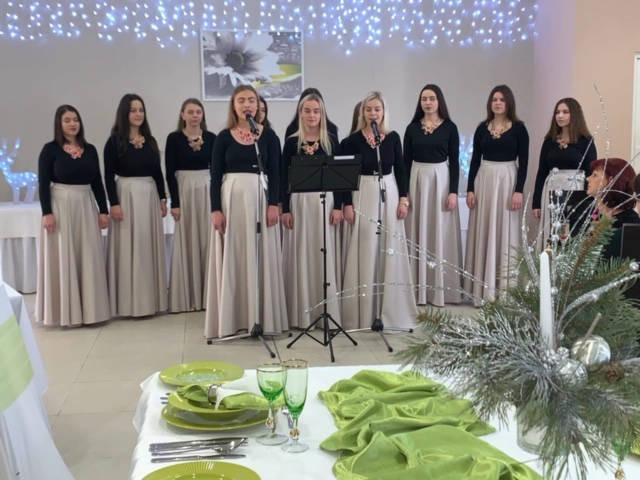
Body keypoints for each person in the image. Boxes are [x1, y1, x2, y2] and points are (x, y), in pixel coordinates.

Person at [205, 85, 287, 338]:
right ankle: (234, 318)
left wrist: (273, 204)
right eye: (241, 100)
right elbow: (215, 176)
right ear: (233, 105)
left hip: (261, 200)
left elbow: (276, 174)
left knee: (260, 254)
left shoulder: (269, 137)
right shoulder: (223, 137)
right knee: (236, 254)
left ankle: (262, 317)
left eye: (251, 100)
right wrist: (215, 209)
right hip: (233, 202)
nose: (246, 104)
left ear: (258, 105)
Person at [340, 91, 417, 329]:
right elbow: (344, 176)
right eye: (369, 109)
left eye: (377, 109)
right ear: (362, 113)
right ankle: (364, 310)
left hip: (388, 192)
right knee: (365, 246)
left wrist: (403, 199)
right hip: (363, 193)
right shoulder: (351, 141)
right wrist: (347, 204)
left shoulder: (393, 138)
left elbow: (401, 169)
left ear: (383, 112)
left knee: (388, 247)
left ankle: (390, 309)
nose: (373, 113)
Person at [35, 105, 111, 326]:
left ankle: (91, 311)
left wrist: (103, 210)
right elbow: (43, 183)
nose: (72, 124)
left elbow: (97, 182)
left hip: (86, 205)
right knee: (64, 256)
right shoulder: (50, 150)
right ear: (59, 124)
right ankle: (65, 313)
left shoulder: (90, 149)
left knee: (88, 254)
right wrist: (47, 213)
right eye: (67, 120)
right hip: (61, 205)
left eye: (75, 119)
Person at [281, 93, 343, 328]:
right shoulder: (291, 142)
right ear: (300, 113)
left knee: (322, 254)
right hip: (299, 203)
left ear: (322, 113)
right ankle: (301, 314)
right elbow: (284, 177)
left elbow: (340, 176)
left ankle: (324, 310)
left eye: (316, 111)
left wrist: (339, 206)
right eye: (307, 110)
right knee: (301, 253)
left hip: (325, 203)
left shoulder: (331, 141)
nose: (311, 115)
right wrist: (285, 208)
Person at [104, 93, 168, 317]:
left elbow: (158, 172)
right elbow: (108, 175)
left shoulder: (150, 141)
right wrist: (114, 203)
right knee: (129, 246)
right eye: (133, 110)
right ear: (124, 113)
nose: (138, 114)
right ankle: (128, 303)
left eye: (141, 110)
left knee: (147, 245)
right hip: (126, 195)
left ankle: (151, 300)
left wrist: (162, 198)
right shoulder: (114, 142)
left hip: (149, 195)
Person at [464, 85, 529, 304]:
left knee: (504, 229)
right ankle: (481, 288)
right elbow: (475, 160)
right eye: (494, 99)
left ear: (509, 103)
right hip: (484, 181)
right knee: (484, 229)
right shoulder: (482, 128)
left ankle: (504, 291)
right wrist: (470, 189)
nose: (498, 103)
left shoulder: (519, 129)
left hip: (507, 180)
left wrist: (518, 190)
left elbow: (524, 162)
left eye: (501, 99)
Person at [403, 84, 462, 307]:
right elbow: (405, 162)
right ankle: (417, 290)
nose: (427, 102)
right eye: (424, 99)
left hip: (441, 181)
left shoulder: (450, 128)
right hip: (417, 180)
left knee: (439, 232)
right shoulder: (412, 128)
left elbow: (454, 162)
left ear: (439, 101)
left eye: (432, 98)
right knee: (417, 231)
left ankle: (441, 291)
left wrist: (453, 191)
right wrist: (404, 193)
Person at [165, 98, 216, 313]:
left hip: (206, 189)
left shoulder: (212, 138)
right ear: (182, 115)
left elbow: (218, 170)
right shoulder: (174, 139)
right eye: (191, 112)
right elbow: (169, 172)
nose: (195, 115)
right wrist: (175, 202)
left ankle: (209, 296)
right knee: (187, 238)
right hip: (184, 189)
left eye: (198, 112)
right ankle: (186, 297)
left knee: (207, 238)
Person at [532, 98, 596, 244]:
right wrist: (536, 203)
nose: (560, 115)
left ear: (575, 114)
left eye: (565, 112)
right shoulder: (549, 141)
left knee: (570, 232)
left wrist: (588, 201)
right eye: (557, 112)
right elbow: (542, 172)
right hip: (551, 191)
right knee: (552, 231)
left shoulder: (586, 140)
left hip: (576, 192)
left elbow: (590, 172)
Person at [586, 157, 639, 259]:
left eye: (594, 175)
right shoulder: (585, 212)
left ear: (610, 181)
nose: (587, 178)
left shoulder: (630, 222)